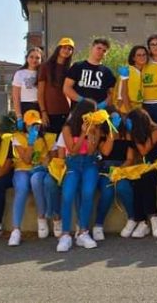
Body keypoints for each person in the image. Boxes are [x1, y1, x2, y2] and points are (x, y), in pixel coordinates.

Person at [56, 100, 109, 252]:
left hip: (89, 163)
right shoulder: (67, 128)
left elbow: (92, 150)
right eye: (91, 112)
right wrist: (82, 134)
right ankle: (65, 235)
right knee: (67, 194)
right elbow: (72, 150)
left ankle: (83, 232)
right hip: (73, 163)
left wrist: (92, 133)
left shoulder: (96, 128)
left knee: (87, 193)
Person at [8, 110, 56, 246]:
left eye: (37, 124)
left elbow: (53, 159)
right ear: (25, 124)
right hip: (22, 169)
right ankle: (16, 230)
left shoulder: (49, 137)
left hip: (40, 170)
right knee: (22, 189)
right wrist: (30, 143)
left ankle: (41, 217)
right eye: (31, 125)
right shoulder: (17, 137)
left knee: (36, 180)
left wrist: (46, 163)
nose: (34, 127)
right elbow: (27, 160)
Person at [95, 110, 136, 240]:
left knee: (123, 186)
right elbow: (105, 152)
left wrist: (119, 170)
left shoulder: (127, 135)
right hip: (105, 169)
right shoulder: (103, 135)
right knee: (107, 190)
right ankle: (98, 225)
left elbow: (130, 158)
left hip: (122, 168)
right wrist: (112, 133)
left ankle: (132, 218)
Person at [64, 38, 116, 111]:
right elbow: (66, 88)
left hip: (99, 113)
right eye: (99, 48)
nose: (101, 52)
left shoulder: (107, 72)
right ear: (92, 48)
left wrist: (104, 104)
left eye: (104, 51)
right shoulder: (78, 66)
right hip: (78, 111)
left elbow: (112, 94)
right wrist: (81, 100)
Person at [38, 38, 74, 135]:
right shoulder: (45, 66)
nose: (67, 51)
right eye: (64, 47)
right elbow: (40, 92)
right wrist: (43, 112)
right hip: (49, 113)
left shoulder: (71, 69)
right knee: (51, 145)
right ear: (58, 48)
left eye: (70, 49)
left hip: (66, 112)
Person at [11, 47, 43, 115]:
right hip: (25, 107)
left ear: (41, 60)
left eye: (37, 58)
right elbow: (16, 97)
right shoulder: (20, 73)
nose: (34, 60)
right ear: (26, 58)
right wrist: (19, 116)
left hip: (41, 107)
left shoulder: (43, 73)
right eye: (31, 57)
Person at [118, 45, 148, 114]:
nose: (142, 57)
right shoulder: (127, 70)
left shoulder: (145, 72)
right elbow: (123, 94)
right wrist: (130, 113)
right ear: (133, 58)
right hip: (125, 109)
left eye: (144, 55)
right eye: (139, 55)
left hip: (138, 109)